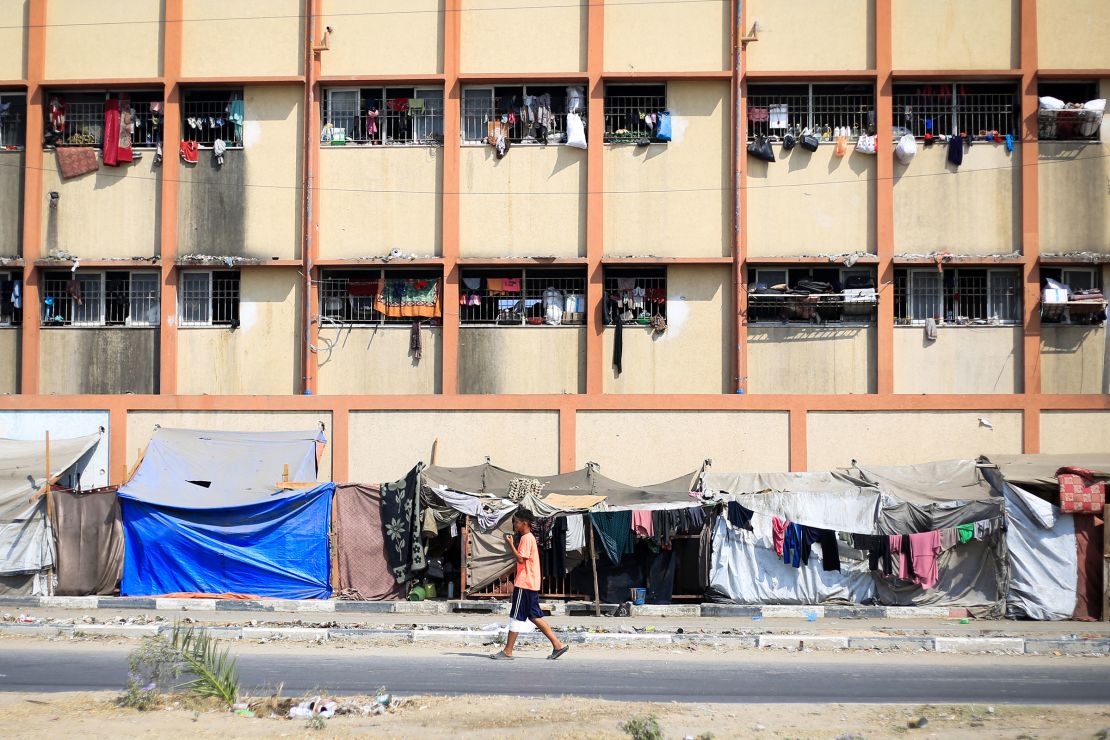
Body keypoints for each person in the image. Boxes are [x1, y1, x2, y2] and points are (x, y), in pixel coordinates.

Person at [490, 509, 569, 661]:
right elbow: (523, 562)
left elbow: (520, 559)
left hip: (524, 583)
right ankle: (558, 645)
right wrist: (508, 573)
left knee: (515, 616)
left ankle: (507, 651)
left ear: (524, 523)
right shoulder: (529, 538)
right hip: (530, 583)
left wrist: (511, 544)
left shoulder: (526, 538)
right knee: (534, 616)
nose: (515, 525)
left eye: (516, 522)